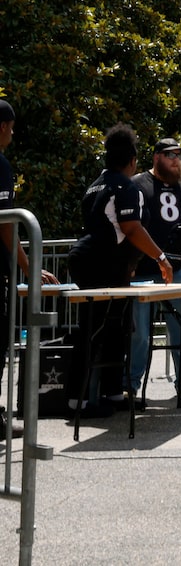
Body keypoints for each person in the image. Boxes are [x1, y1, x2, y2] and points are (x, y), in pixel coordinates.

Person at [64, 125, 174, 415]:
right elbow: (131, 229)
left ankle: (112, 394)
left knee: (117, 326)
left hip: (93, 260)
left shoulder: (94, 185)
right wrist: (161, 257)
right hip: (101, 263)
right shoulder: (128, 187)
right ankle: (79, 402)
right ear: (133, 160)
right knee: (94, 329)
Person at [130, 137, 181, 399]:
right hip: (144, 272)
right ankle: (129, 384)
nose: (176, 160)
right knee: (139, 334)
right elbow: (130, 225)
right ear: (156, 157)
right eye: (170, 155)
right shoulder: (138, 184)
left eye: (178, 155)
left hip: (178, 272)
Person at [1, 100, 58, 433]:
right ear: (3, 127)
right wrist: (27, 267)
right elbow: (6, 224)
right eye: (11, 126)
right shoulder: (0, 164)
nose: (13, 132)